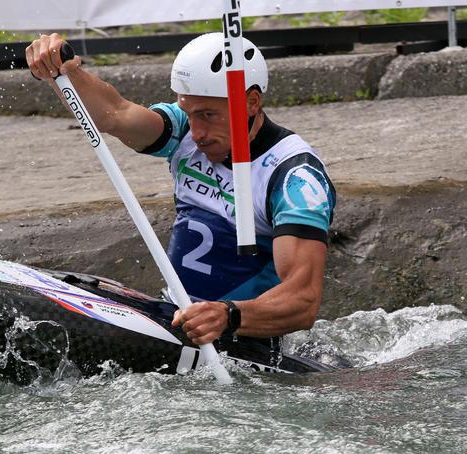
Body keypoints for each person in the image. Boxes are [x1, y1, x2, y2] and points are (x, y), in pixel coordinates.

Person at [27, 32, 336, 364]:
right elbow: (114, 114)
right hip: (174, 319)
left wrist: (227, 315)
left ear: (251, 102)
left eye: (208, 115)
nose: (196, 131)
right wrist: (65, 70)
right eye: (188, 112)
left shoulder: (295, 178)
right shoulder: (185, 128)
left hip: (248, 344)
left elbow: (303, 300)